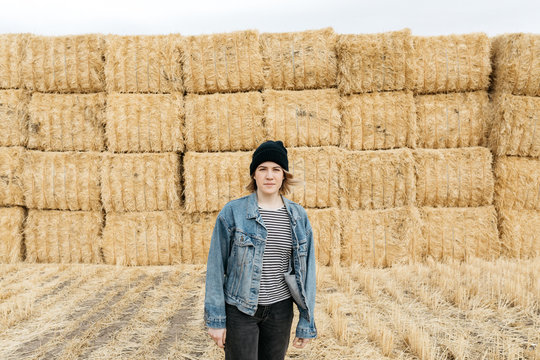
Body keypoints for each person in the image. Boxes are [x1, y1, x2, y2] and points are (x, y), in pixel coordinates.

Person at [204, 140, 317, 360]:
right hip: (241, 310)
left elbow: (307, 272)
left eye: (276, 169)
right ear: (253, 175)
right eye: (262, 169)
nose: (269, 175)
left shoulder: (297, 216)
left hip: (280, 311)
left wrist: (306, 321)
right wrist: (216, 320)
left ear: (284, 176)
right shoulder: (233, 213)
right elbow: (216, 268)